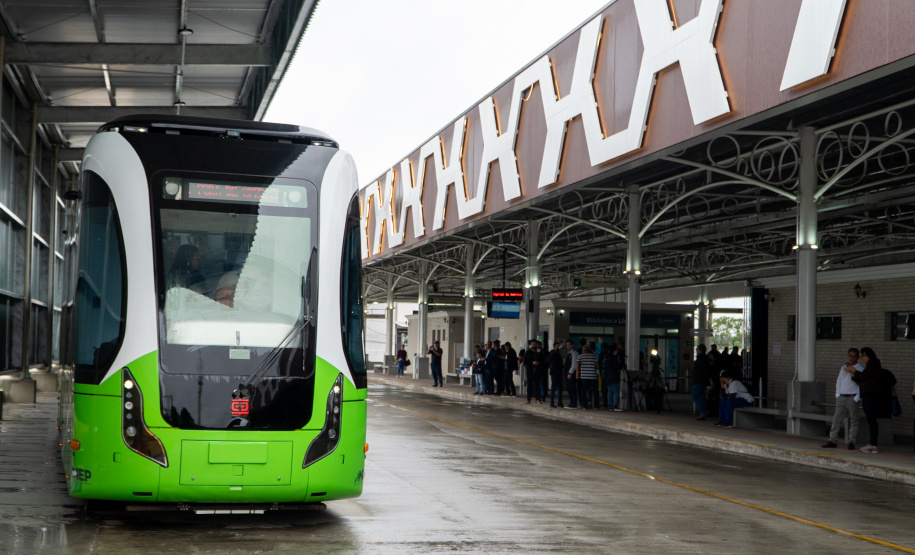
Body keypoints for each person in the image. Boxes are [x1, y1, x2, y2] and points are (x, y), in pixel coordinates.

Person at [852, 347, 893, 454]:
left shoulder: (873, 364)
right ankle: (872, 443)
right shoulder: (871, 365)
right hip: (867, 395)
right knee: (870, 420)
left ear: (867, 355)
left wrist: (855, 372)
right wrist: (853, 374)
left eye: (863, 356)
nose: (862, 359)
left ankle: (873, 444)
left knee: (872, 420)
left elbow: (865, 376)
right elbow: (863, 379)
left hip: (871, 395)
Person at [822, 348, 863, 449]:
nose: (852, 358)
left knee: (853, 419)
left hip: (852, 397)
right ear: (847, 356)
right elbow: (839, 381)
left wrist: (857, 397)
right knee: (837, 419)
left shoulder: (860, 369)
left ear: (858, 357)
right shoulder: (843, 367)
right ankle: (832, 440)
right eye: (850, 355)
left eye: (854, 356)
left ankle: (851, 441)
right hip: (842, 397)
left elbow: (862, 384)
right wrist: (837, 394)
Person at [692, 344, 713, 420]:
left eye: (697, 349)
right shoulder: (706, 358)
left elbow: (702, 370)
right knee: (702, 397)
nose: (696, 351)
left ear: (699, 350)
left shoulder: (700, 359)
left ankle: (703, 411)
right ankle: (703, 412)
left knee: (695, 396)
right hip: (704, 381)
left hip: (698, 380)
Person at [601, 343, 623, 411]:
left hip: (607, 377)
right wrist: (619, 363)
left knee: (609, 391)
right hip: (614, 377)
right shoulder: (614, 359)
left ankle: (610, 404)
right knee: (616, 391)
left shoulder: (606, 358)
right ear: (614, 351)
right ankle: (615, 405)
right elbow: (616, 367)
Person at [578, 344, 600, 410]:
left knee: (584, 391)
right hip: (593, 377)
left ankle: (585, 406)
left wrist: (577, 373)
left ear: (583, 350)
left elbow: (577, 365)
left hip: (584, 376)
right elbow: (597, 366)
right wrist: (597, 371)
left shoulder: (580, 356)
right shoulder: (594, 356)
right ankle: (596, 405)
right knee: (595, 391)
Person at [524, 339, 546, 404]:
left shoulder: (539, 352)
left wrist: (539, 363)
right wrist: (532, 363)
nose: (534, 345)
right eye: (533, 344)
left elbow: (543, 361)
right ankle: (528, 399)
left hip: (538, 371)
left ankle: (538, 399)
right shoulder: (528, 352)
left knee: (537, 385)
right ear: (531, 345)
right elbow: (525, 362)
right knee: (529, 385)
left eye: (535, 344)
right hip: (530, 371)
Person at [548, 341, 565, 408]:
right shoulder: (552, 352)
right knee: (553, 387)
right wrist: (558, 349)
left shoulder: (558, 354)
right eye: (557, 346)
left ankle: (559, 402)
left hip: (559, 372)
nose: (559, 348)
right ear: (554, 346)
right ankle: (552, 402)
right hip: (554, 372)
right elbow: (552, 356)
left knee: (560, 388)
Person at [563, 339, 579, 408]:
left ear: (572, 345)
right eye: (567, 345)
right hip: (567, 373)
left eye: (569, 345)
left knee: (572, 388)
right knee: (569, 388)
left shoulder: (574, 353)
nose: (568, 346)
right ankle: (571, 402)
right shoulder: (569, 354)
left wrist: (570, 373)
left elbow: (574, 364)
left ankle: (574, 403)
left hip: (571, 373)